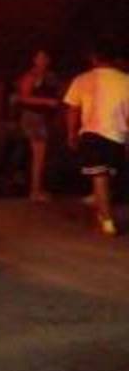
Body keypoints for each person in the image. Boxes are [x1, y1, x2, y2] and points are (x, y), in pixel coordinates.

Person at [63, 38, 129, 236]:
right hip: (117, 135)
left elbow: (72, 109)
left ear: (94, 58)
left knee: (100, 176)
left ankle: (106, 220)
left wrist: (71, 132)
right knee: (106, 175)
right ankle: (102, 211)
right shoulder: (125, 80)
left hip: (92, 133)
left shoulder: (82, 79)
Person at [15, 49, 62, 201]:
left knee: (42, 155)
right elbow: (23, 98)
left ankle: (37, 188)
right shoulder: (31, 76)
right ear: (34, 60)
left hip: (44, 117)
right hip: (33, 117)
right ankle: (35, 191)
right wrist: (46, 102)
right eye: (40, 58)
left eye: (45, 57)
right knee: (39, 155)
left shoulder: (49, 76)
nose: (43, 61)